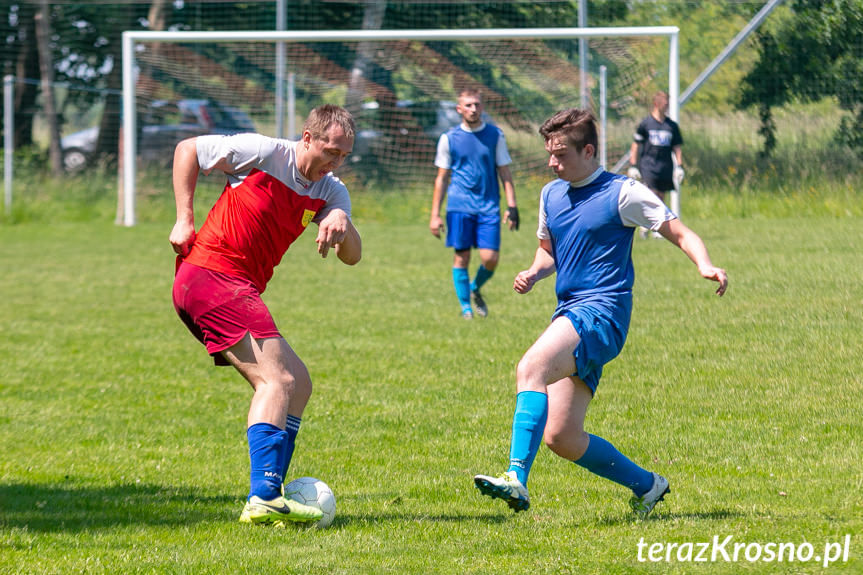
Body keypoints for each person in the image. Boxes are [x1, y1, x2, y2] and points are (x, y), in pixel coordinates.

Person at [474, 108, 727, 517]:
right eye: (549, 154)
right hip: (570, 312)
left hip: (602, 313)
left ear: (588, 150)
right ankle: (648, 486)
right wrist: (534, 272)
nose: (552, 163)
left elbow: (677, 230)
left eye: (561, 155)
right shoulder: (551, 194)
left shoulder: (623, 192)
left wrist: (704, 264)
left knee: (531, 367)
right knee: (562, 436)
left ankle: (516, 477)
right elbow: (548, 251)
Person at [169, 105, 362, 526]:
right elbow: (188, 150)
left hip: (231, 286)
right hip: (212, 275)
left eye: (345, 155)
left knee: (299, 385)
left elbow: (353, 257)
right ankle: (264, 496)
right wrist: (184, 218)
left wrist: (340, 217)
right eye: (331, 150)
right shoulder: (262, 152)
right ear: (307, 138)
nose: (336, 161)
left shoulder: (331, 190)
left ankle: (271, 493)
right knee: (278, 381)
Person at [429, 88, 518, 319]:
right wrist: (435, 214)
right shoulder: (449, 138)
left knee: (490, 258)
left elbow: (505, 173)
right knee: (462, 257)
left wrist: (512, 205)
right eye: (468, 105)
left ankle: (474, 288)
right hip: (459, 206)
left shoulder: (495, 136)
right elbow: (442, 178)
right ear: (459, 109)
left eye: (477, 104)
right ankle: (466, 308)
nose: (473, 109)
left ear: (483, 107)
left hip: (489, 206)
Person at [629, 91, 684, 238]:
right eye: (665, 103)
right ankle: (647, 224)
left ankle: (657, 226)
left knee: (660, 195)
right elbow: (636, 145)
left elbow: (677, 147)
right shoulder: (646, 124)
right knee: (651, 194)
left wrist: (679, 166)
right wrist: (633, 165)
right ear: (656, 104)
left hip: (665, 166)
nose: (667, 106)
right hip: (648, 165)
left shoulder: (671, 126)